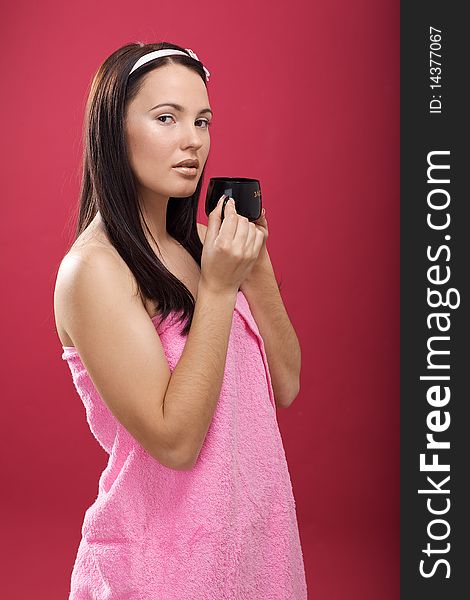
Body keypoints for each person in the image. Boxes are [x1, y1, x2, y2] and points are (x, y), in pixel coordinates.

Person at [54, 41, 308, 599]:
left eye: (203, 120)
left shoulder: (194, 248)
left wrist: (255, 269)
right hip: (160, 570)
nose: (193, 140)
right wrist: (218, 288)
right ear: (114, 132)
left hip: (252, 555)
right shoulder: (93, 270)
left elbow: (285, 386)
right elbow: (176, 442)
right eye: (166, 118)